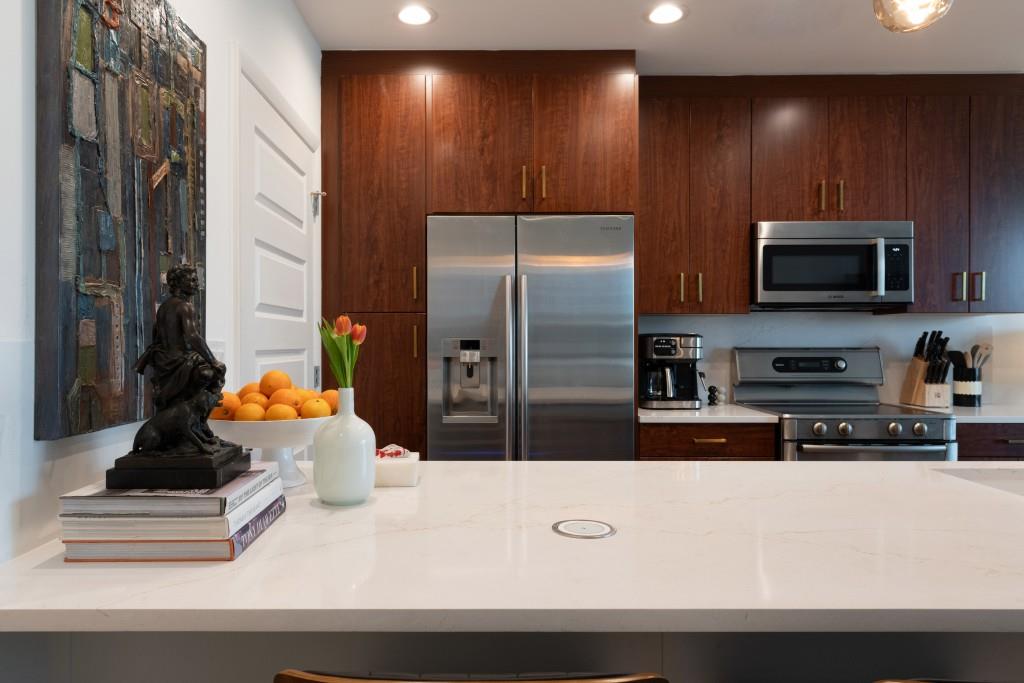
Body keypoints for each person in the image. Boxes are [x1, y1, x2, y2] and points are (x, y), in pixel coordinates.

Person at [135, 263, 226, 410]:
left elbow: (156, 334)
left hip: (164, 359)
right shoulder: (185, 306)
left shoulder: (164, 307)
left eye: (196, 280)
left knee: (205, 374)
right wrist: (213, 361)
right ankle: (195, 412)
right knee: (215, 372)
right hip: (180, 360)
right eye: (192, 280)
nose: (197, 284)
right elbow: (193, 336)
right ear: (178, 282)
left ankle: (181, 407)